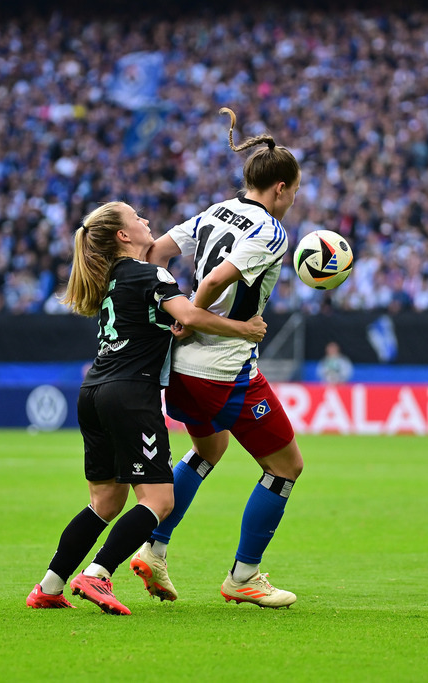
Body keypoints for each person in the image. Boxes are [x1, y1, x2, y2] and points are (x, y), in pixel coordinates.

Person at [26, 201, 267, 616]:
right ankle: (98, 573)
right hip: (130, 397)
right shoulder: (150, 272)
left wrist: (174, 330)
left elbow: (163, 324)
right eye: (137, 218)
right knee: (159, 500)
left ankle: (50, 585)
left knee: (104, 502)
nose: (146, 222)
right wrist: (243, 328)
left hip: (94, 391)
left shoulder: (111, 281)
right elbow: (190, 312)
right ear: (123, 235)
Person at [135, 107, 302, 608]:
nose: (293, 200)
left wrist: (170, 311)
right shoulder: (272, 232)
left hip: (181, 373)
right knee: (286, 466)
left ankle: (155, 548)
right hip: (224, 371)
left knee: (209, 452)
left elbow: (156, 253)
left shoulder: (214, 211)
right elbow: (210, 283)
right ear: (279, 189)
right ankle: (244, 576)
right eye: (294, 190)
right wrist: (188, 315)